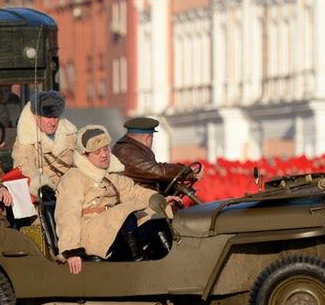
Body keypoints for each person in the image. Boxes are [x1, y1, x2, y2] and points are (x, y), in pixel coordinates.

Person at [55, 125, 179, 275]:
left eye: (105, 149)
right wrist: (71, 250)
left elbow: (134, 191)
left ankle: (171, 263)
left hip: (113, 228)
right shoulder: (74, 177)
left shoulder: (111, 175)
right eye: (97, 152)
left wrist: (159, 200)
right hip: (89, 232)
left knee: (157, 214)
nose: (104, 155)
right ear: (84, 155)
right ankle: (140, 266)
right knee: (124, 213)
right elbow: (68, 214)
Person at [11, 90, 77, 197]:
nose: (52, 122)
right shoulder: (26, 140)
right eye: (48, 117)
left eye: (55, 117)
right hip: (45, 195)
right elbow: (24, 166)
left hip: (71, 189)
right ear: (36, 117)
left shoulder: (70, 134)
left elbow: (81, 160)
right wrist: (41, 185)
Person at [112, 117, 202, 191]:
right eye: (152, 138)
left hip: (145, 199)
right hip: (137, 205)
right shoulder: (126, 151)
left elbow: (151, 177)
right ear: (148, 138)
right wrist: (186, 172)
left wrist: (175, 188)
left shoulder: (130, 148)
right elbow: (157, 171)